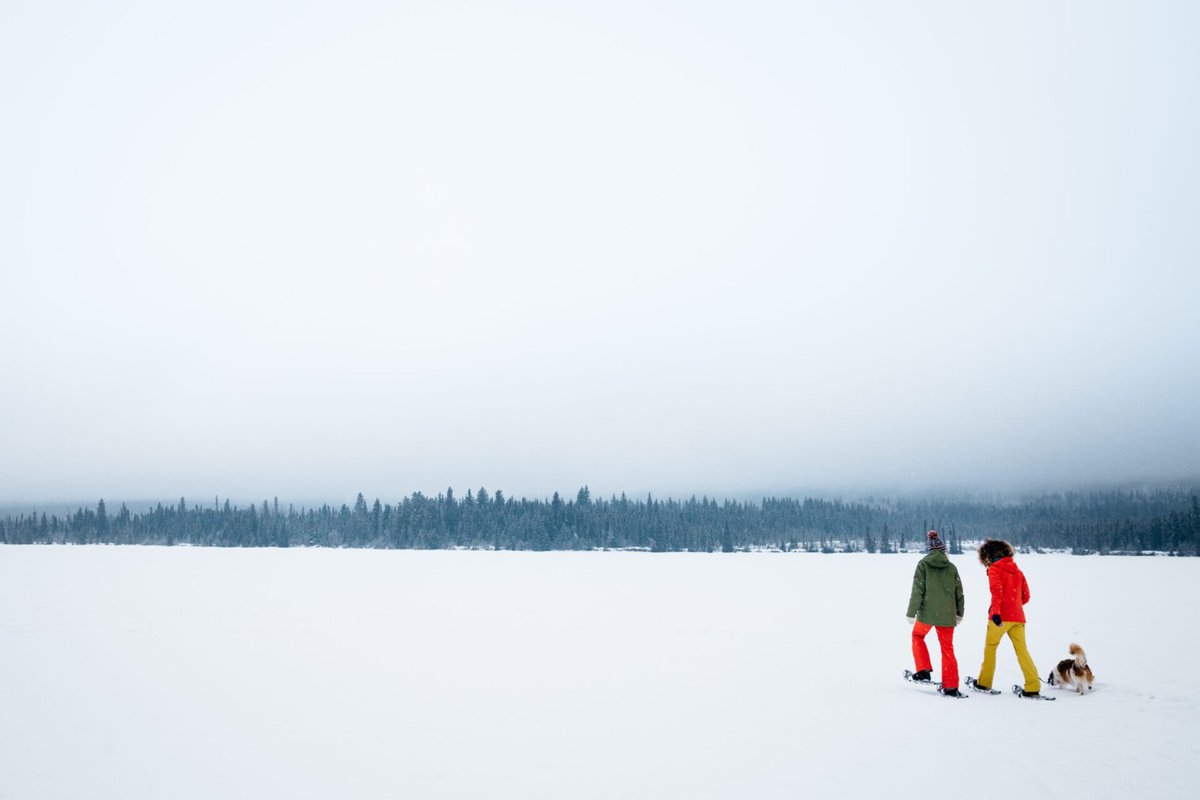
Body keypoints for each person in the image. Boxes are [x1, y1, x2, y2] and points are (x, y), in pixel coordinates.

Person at [972, 539, 1042, 697]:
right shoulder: (1018, 571)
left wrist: (997, 612)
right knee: (1022, 651)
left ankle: (984, 683)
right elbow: (1026, 597)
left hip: (999, 618)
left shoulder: (994, 569)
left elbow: (996, 592)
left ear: (988, 556)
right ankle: (1033, 686)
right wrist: (1014, 606)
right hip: (1018, 618)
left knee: (990, 649)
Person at [906, 530, 965, 697]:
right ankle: (951, 686)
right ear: (943, 549)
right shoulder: (951, 567)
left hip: (927, 613)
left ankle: (923, 669)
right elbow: (959, 593)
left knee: (918, 636)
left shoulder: (923, 565)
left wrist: (911, 612)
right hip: (947, 613)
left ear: (930, 549)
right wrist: (959, 613)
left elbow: (917, 591)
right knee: (947, 649)